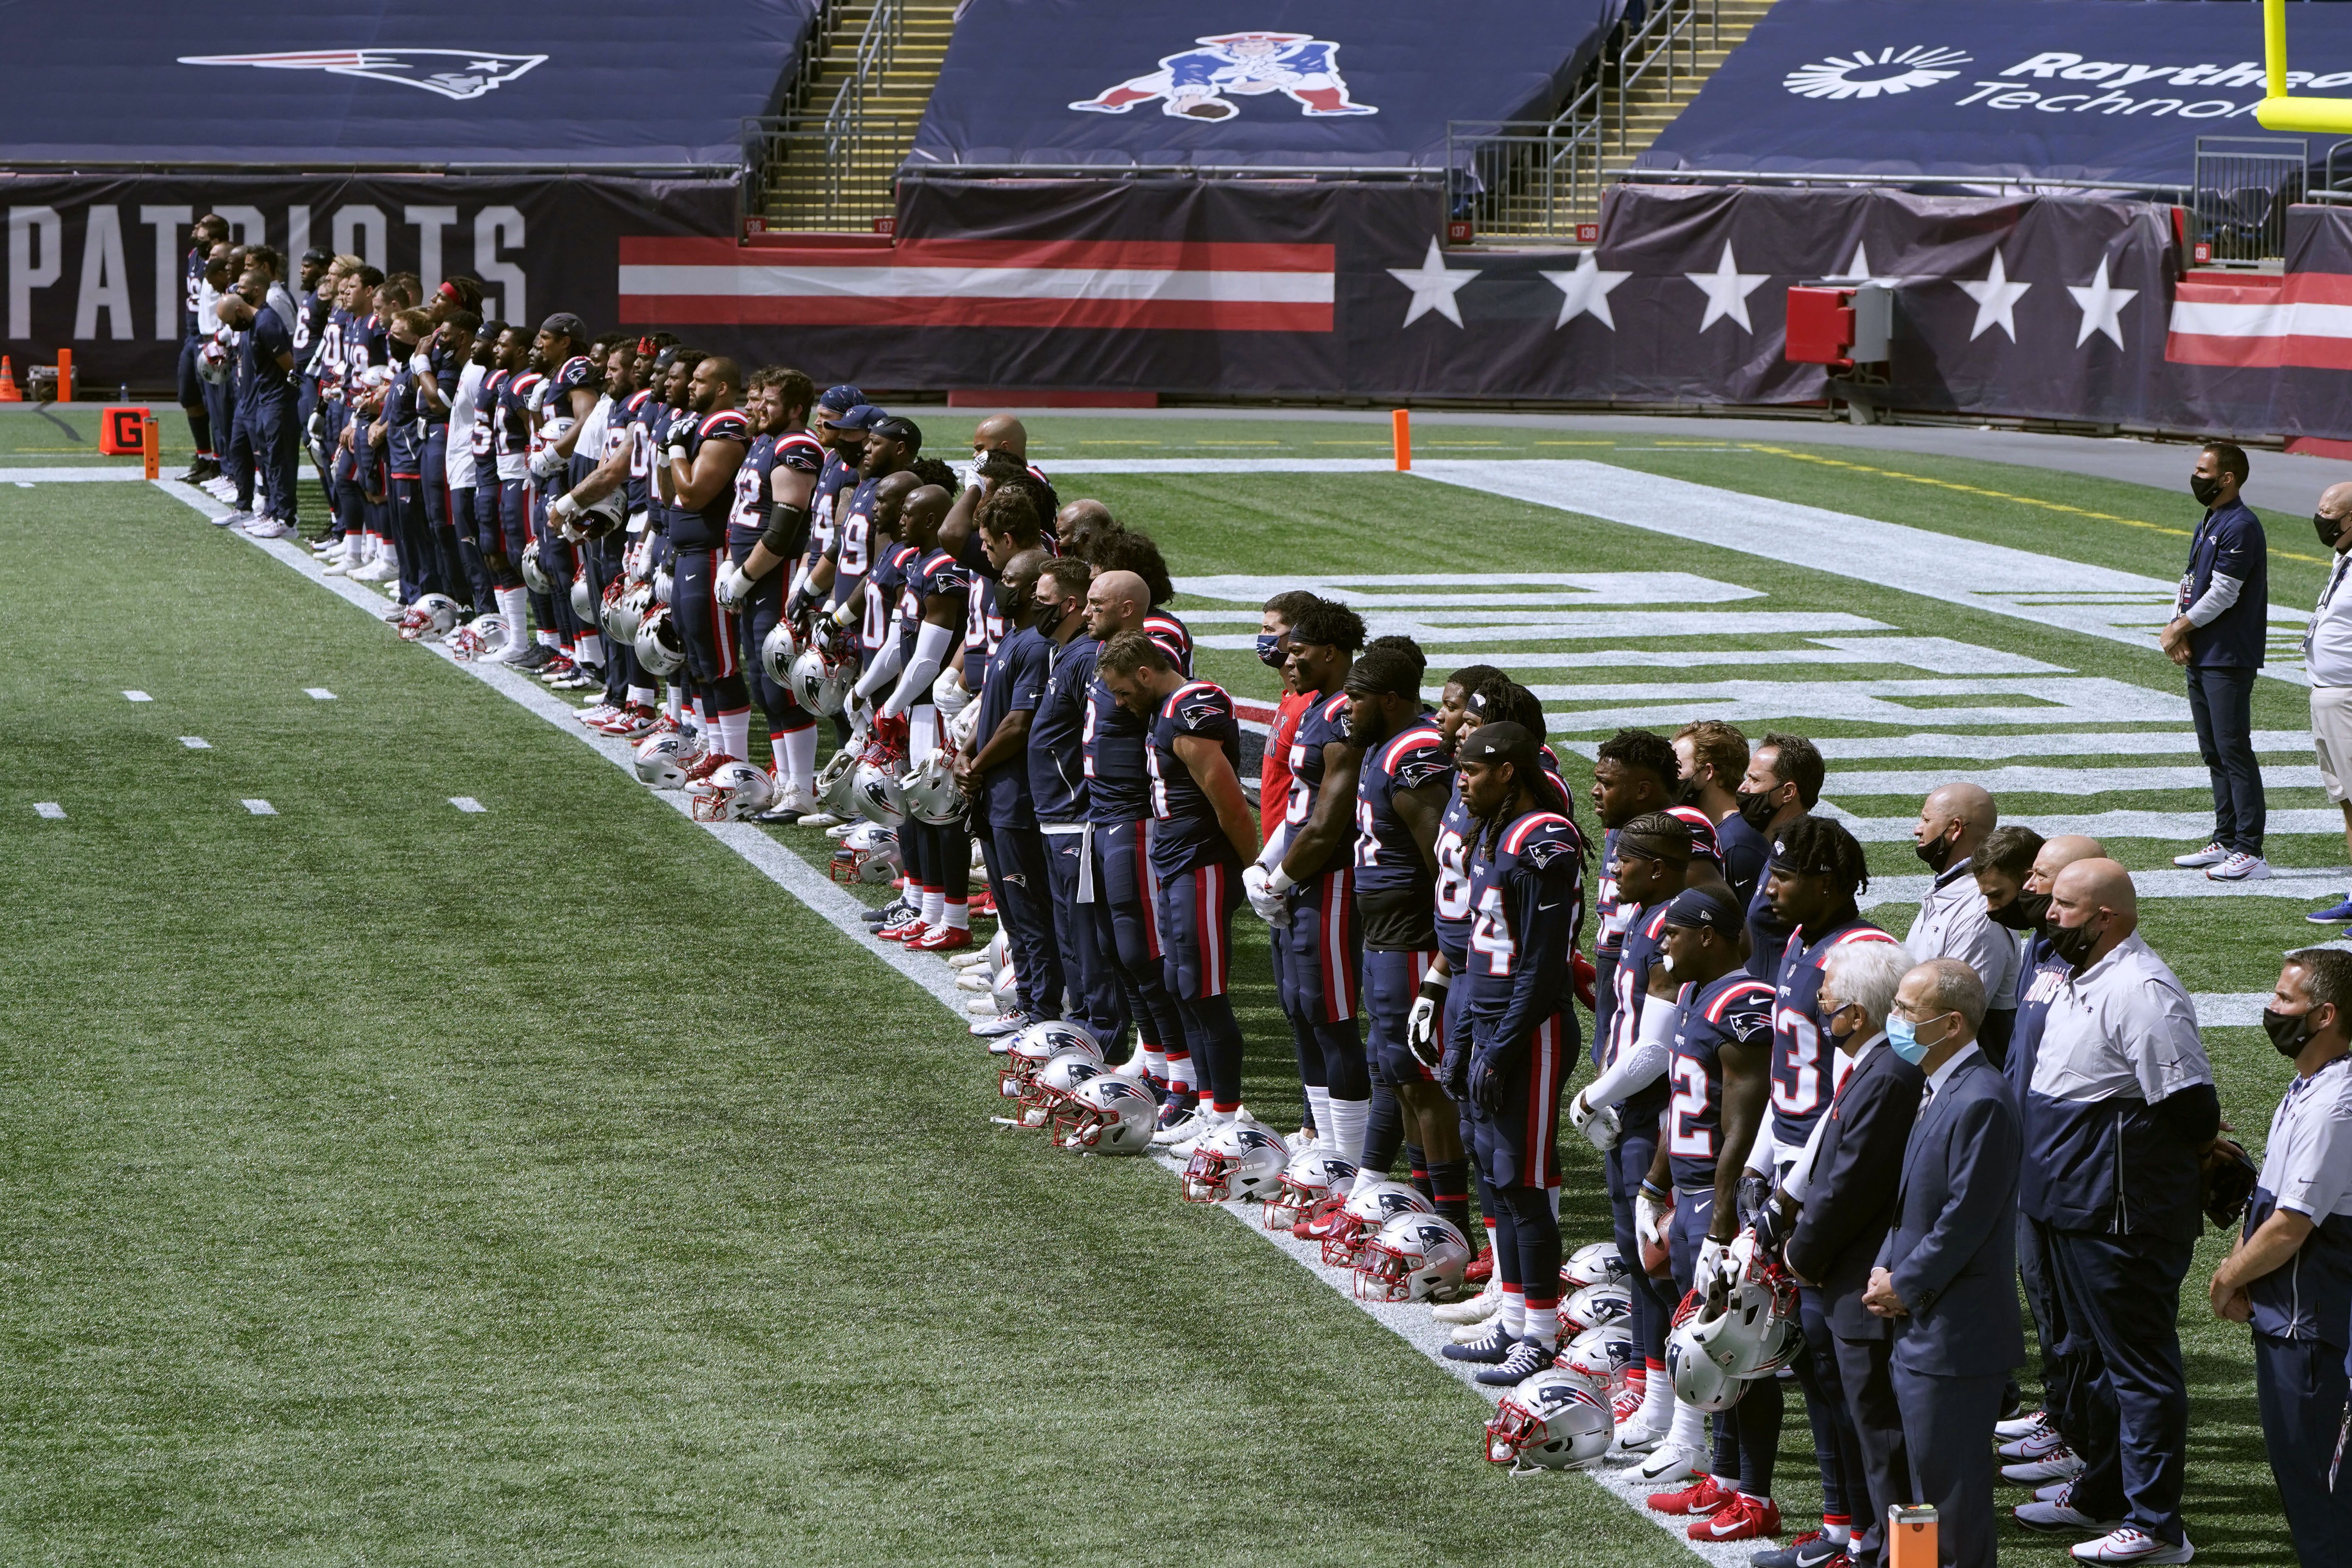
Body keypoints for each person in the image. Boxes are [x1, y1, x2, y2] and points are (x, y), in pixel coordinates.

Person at [2013, 859, 2216, 1566]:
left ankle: (2157, 1523)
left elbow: (2191, 1103)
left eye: (2063, 905)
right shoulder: (2082, 973)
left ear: (2103, 916)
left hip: (2116, 1215)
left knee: (2137, 1370)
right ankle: (2104, 1490)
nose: (2046, 914)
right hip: (2071, 1202)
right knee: (2095, 1362)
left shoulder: (2140, 989)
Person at [1440, 721, 1587, 1391]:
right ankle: (1513, 1316)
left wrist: (1497, 1045)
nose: (1460, 780)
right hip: (1491, 1016)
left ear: (1505, 769)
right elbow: (1482, 952)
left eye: (1469, 769)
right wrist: (1466, 1035)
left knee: (1523, 1185)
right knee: (1495, 1174)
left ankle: (1542, 1333)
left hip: (1531, 1028)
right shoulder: (1495, 831)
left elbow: (1539, 960)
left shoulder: (1540, 836)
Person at [1865, 959, 2023, 1568]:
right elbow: (1912, 1206)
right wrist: (1885, 1271)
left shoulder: (1980, 1099)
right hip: (1922, 1328)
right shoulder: (1939, 1087)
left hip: (1953, 1339)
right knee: (1923, 1499)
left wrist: (1902, 1283)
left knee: (1950, 1509)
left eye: (1906, 1011)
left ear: (1951, 1024)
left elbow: (1963, 1221)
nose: (1894, 1021)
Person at [1775, 940, 1923, 1568]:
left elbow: (1851, 1183)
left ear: (1858, 1014)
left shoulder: (1887, 1072)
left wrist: (1799, 1253)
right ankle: (1868, 1543)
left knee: (1889, 1440)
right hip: (1850, 1279)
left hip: (1862, 1283)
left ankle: (1902, 1558)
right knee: (1870, 1432)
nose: (1820, 1010)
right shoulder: (1875, 1064)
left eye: (1828, 1003)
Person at [1635, 884, 1780, 1514]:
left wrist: (1723, 1226)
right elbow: (1681, 1106)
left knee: (1741, 1351)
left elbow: (1741, 1128)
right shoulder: (1699, 995)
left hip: (1723, 1202)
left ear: (1707, 936)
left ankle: (1754, 1493)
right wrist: (1652, 1182)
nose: (1663, 944)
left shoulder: (1746, 1001)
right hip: (1692, 1193)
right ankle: (1722, 1479)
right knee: (1705, 1346)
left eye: (1673, 932)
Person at [2211, 949, 2352, 1564]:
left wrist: (2225, 1278)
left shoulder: (2333, 1107)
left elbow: (2290, 1227)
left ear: (2323, 1014)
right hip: (2286, 1316)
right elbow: (2268, 1198)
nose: (2270, 1009)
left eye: (2283, 999)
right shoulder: (2308, 1085)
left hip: (2310, 1329)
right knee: (2303, 1483)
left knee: (2320, 1493)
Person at [1568, 810, 1701, 1452]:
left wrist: (1596, 1093)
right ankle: (1652, 1401)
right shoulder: (1646, 917)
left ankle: (1680, 1417)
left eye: (1623, 859)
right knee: (1640, 1264)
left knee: (1661, 1267)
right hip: (1630, 1112)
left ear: (1656, 866)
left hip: (1653, 1115)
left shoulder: (1675, 924)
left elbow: (1655, 1048)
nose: (1612, 868)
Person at [1100, 629, 1258, 1144]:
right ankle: (1206, 1106)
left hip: (1202, 864)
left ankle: (1226, 1116)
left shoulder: (1192, 707)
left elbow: (1230, 802)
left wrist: (1252, 868)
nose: (1121, 704)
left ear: (1145, 674)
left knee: (1201, 990)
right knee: (1179, 984)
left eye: (1124, 692)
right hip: (1175, 862)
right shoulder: (1163, 708)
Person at [1248, 599, 1372, 1161]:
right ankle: (1322, 1142)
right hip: (1302, 873)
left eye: (1297, 652)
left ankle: (1347, 1159)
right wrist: (1266, 863)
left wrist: (1278, 880)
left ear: (1329, 653)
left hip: (1332, 879)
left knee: (1331, 1014)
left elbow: (1329, 822)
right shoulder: (1317, 705)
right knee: (1302, 1007)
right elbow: (1300, 809)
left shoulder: (1346, 714)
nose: (1285, 660)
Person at [1082, 567, 1192, 1120]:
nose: (1084, 610)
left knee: (1143, 951)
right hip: (1104, 812)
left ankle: (1184, 1078)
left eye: (1096, 602)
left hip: (1134, 812)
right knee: (1116, 947)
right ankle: (1154, 1057)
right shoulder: (1103, 651)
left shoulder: (1155, 646)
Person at [960, 548, 1064, 1035]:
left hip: (1017, 800)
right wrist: (965, 751)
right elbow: (994, 714)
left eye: (1005, 578)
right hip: (995, 796)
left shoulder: (1037, 646)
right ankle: (1026, 1000)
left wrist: (976, 763)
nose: (996, 585)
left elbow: (1020, 723)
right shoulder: (1015, 638)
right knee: (1011, 909)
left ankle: (1041, 1009)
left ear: (1028, 589)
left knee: (1029, 912)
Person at [1028, 557, 1125, 1055]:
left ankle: (1101, 1035)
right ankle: (1082, 1024)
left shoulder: (1088, 657)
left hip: (1077, 816)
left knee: (1088, 938)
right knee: (1070, 932)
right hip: (1056, 815)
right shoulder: (1067, 652)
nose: (1086, 612)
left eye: (1041, 600)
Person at [2164, 441, 2270, 883]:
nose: (2196, 476)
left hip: (2227, 655)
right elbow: (2191, 580)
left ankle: (2250, 849)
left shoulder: (2241, 525)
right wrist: (2177, 625)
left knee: (2232, 749)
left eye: (2203, 470)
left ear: (2226, 478)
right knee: (2212, 750)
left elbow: (2224, 592)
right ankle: (2225, 837)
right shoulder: (2210, 519)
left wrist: (2179, 628)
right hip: (2203, 652)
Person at [1259, 589, 1327, 1146]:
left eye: (1278, 633)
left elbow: (1320, 813)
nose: (1272, 645)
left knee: (1320, 1009)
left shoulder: (1319, 710)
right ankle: (1313, 1124)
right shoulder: (1291, 699)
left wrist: (1279, 871)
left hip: (1310, 874)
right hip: (1282, 864)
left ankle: (1323, 1131)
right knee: (1295, 1005)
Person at [1906, 783, 2018, 1068]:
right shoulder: (1949, 890)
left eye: (1927, 820)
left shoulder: (1980, 910)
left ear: (1955, 829)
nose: (1917, 829)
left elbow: (1955, 1015)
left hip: (1961, 1076)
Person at [2302, 482, 2352, 924]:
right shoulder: (2343, 555)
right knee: (2346, 800)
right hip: (2328, 693)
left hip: (2347, 698)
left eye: (2329, 513)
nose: (2320, 520)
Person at [1739, 732, 1827, 981]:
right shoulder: (1780, 846)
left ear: (1787, 792)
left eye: (1754, 780)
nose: (1743, 789)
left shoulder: (1802, 854)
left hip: (1779, 999)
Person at [1677, 719, 1766, 906]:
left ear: (1708, 772)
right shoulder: (1714, 832)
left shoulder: (1738, 844)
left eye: (1677, 768)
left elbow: (1748, 926)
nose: (1669, 778)